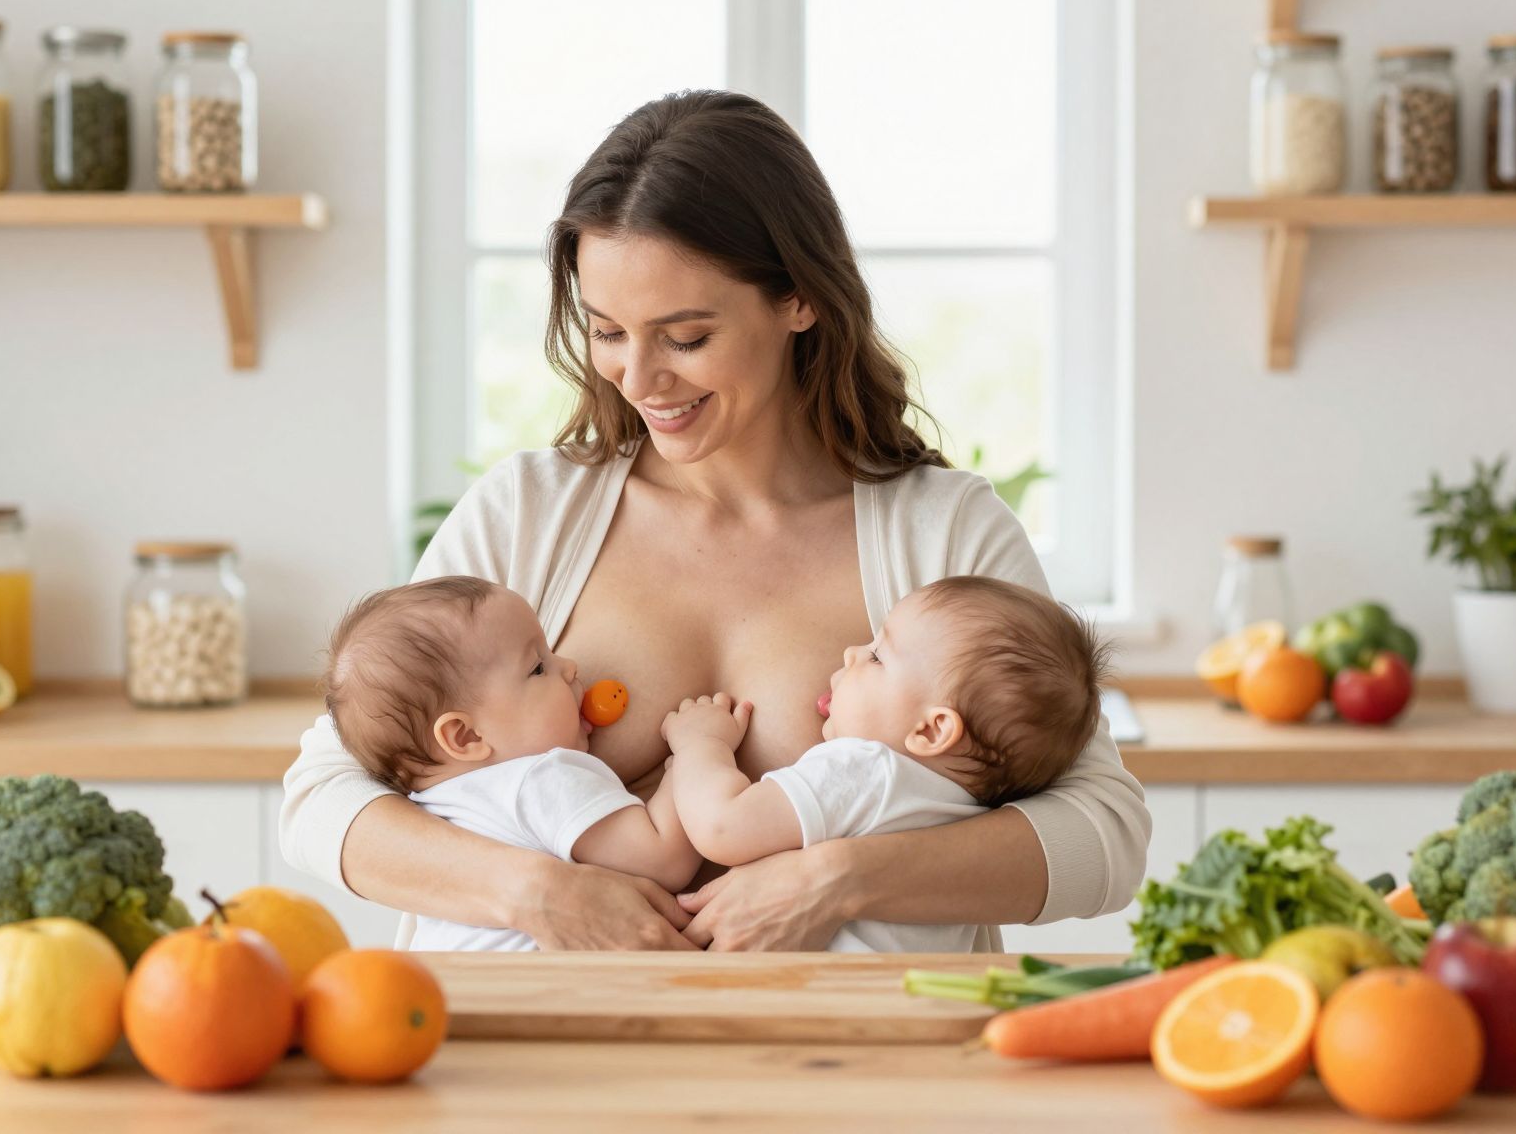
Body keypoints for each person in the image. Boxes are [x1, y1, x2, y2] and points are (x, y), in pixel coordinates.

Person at [282, 88, 1151, 951]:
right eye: (607, 332)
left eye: (686, 337)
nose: (638, 378)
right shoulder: (527, 514)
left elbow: (1105, 839)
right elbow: (320, 800)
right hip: (538, 1035)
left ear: (798, 299)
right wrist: (536, 894)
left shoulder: (942, 531)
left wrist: (839, 878)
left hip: (856, 1042)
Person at [663, 576, 1109, 953]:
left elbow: (722, 827)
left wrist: (701, 745)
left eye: (877, 656)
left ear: (931, 730)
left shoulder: (866, 769)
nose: (851, 653)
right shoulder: (970, 812)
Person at [322, 576, 700, 951]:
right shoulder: (539, 780)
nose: (570, 667)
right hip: (533, 988)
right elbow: (664, 859)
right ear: (465, 737)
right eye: (538, 668)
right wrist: (694, 750)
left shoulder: (423, 811)